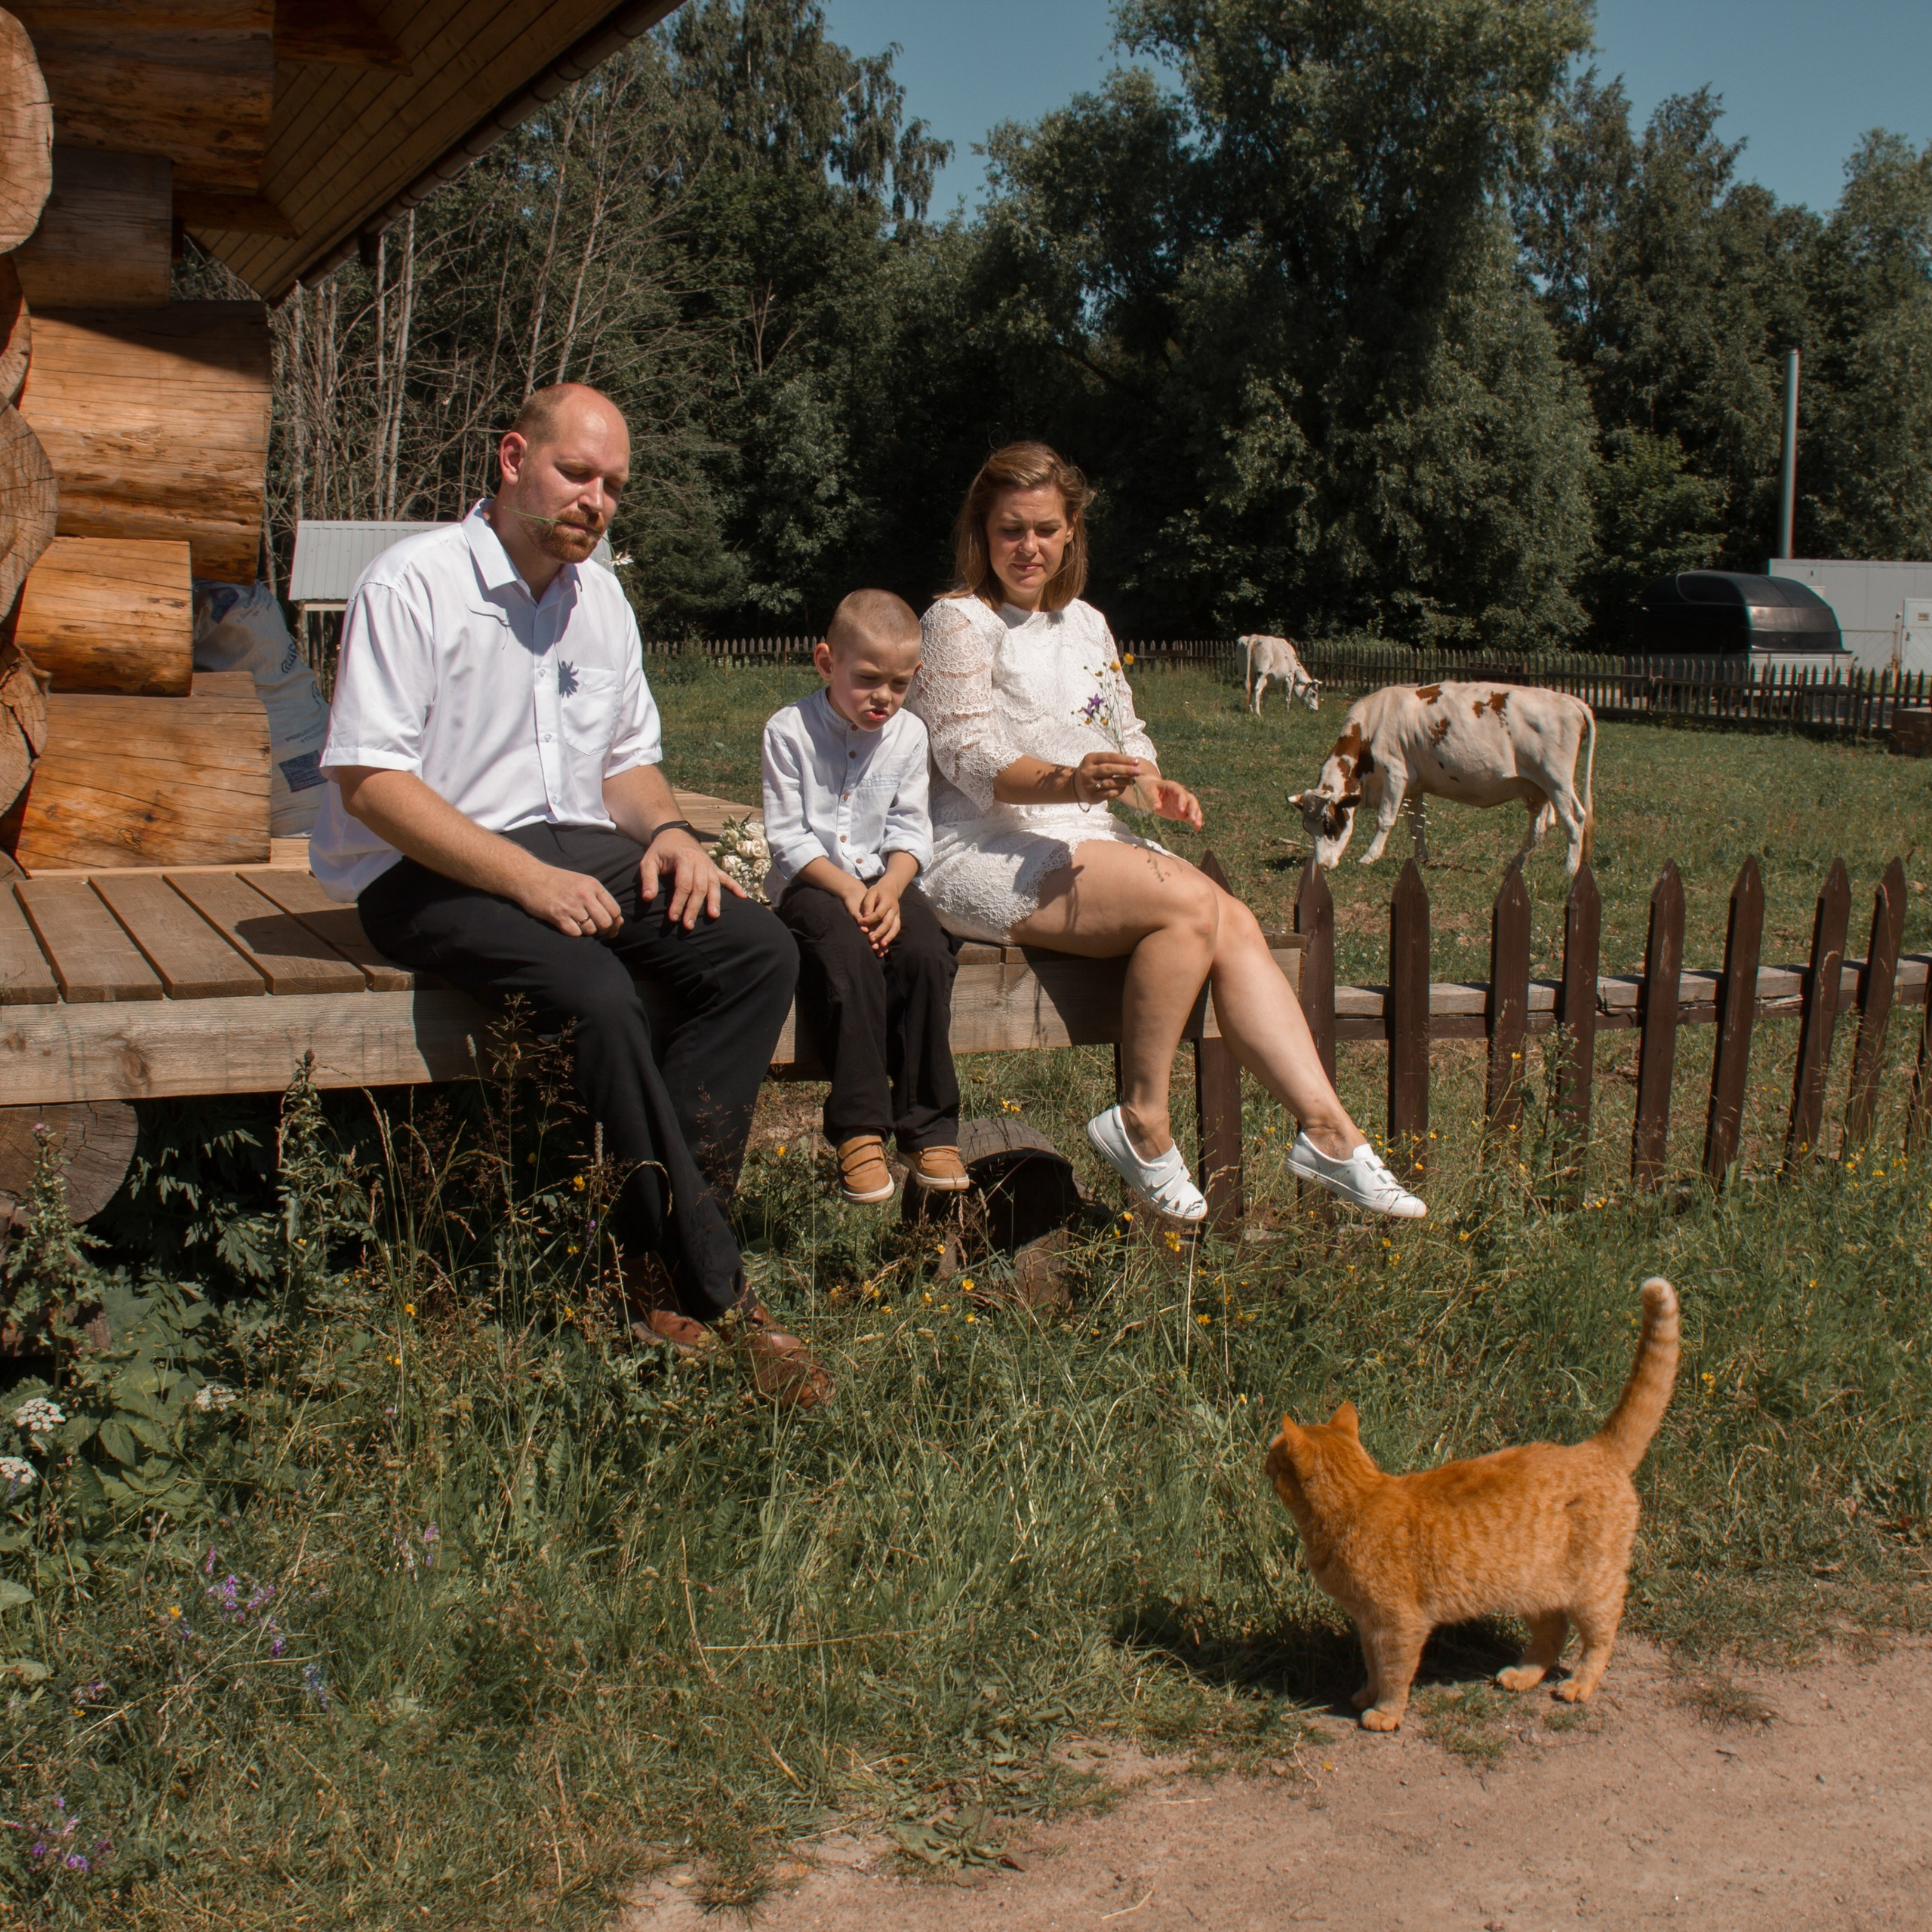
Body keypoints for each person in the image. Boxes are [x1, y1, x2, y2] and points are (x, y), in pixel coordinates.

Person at [310, 382, 832, 1406]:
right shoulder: (413, 583)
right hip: (418, 867)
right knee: (598, 992)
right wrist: (529, 881)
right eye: (577, 474)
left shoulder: (602, 599)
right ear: (513, 460)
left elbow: (626, 768)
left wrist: (675, 834)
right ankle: (711, 1287)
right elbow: (369, 782)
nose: (596, 500)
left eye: (614, 487)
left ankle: (657, 1251)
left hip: (567, 842)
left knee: (758, 950)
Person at [908, 441, 1426, 1223]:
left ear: (1072, 530)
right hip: (980, 841)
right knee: (1189, 904)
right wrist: (1073, 779)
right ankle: (1143, 1120)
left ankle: (1328, 1131)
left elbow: (1125, 730)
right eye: (1009, 530)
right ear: (980, 532)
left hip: (1087, 833)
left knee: (1233, 919)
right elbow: (970, 757)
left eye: (1046, 529)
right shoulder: (957, 621)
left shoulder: (1086, 623)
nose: (1028, 547)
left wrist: (1152, 786)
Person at [761, 590, 969, 1206]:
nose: (883, 697)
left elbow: (911, 828)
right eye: (868, 679)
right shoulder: (788, 731)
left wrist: (893, 886)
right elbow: (788, 838)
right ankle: (858, 1125)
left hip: (884, 880)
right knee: (848, 955)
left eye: (899, 684)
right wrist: (851, 889)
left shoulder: (908, 736)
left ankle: (929, 1124)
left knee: (928, 952)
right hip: (813, 885)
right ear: (827, 662)